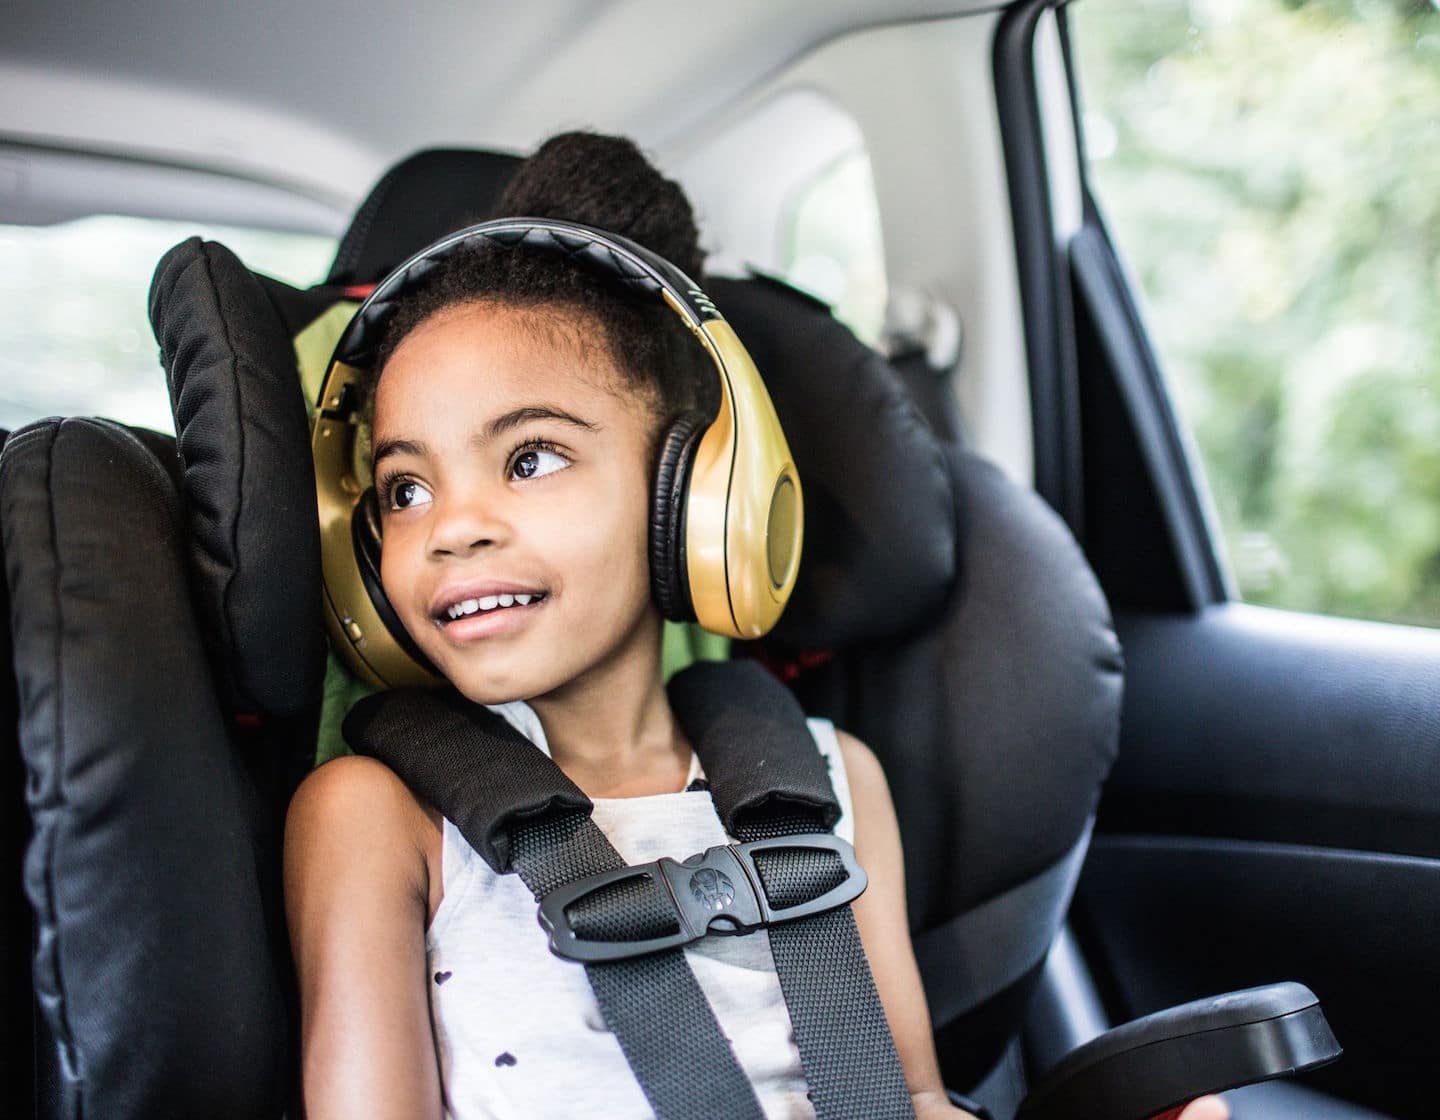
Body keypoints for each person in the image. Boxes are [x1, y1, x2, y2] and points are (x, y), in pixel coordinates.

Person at [283, 131, 1229, 1120]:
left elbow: (904, 1101)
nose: (453, 527)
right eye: (404, 488)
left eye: (530, 458)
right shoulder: (377, 819)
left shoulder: (827, 781)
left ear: (693, 494)